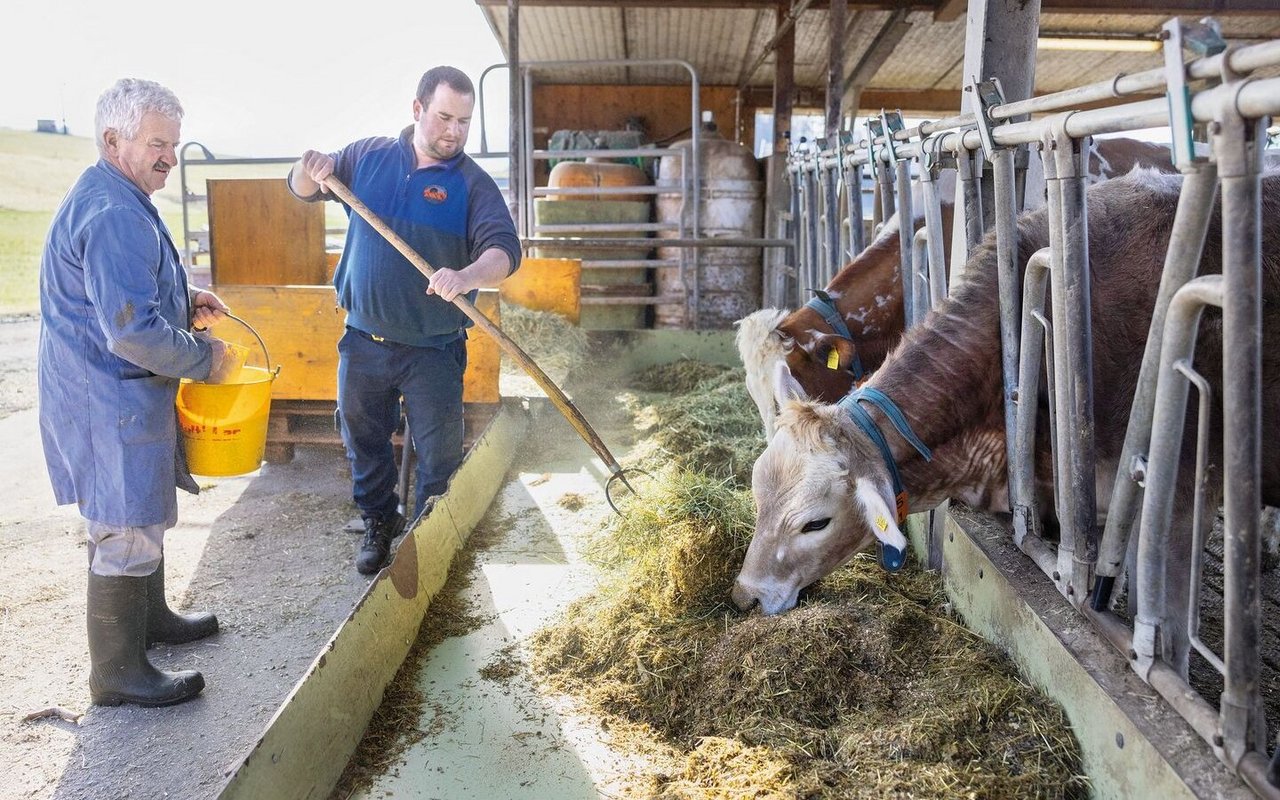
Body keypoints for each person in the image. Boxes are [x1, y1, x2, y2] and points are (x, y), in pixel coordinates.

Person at [39, 78, 242, 707]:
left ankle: (150, 623)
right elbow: (129, 330)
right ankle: (118, 672)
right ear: (112, 139)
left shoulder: (117, 194)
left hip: (111, 392)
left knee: (139, 513)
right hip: (107, 397)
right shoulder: (113, 213)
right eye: (158, 143)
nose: (170, 158)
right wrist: (208, 360)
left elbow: (129, 296)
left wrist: (184, 301)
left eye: (174, 145)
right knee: (123, 526)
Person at [288, 66, 521, 575]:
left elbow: (505, 251)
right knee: (363, 437)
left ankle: (427, 539)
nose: (453, 131)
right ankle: (378, 521)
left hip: (433, 347)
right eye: (443, 117)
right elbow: (302, 187)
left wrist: (467, 273)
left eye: (463, 121)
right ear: (417, 109)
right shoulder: (367, 157)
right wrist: (311, 167)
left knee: (439, 453)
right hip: (364, 338)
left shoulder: (472, 184)